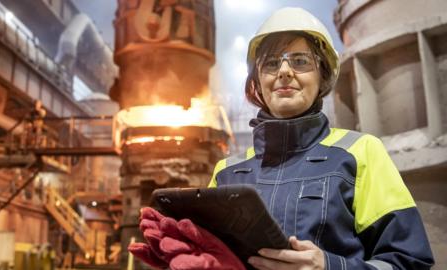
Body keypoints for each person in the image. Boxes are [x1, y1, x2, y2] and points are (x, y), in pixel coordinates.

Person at [129, 7, 435, 270]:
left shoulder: (359, 153)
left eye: (300, 61)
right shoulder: (227, 172)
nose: (285, 71)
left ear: (322, 75)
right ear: (257, 84)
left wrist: (329, 265)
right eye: (272, 63)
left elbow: (410, 261)